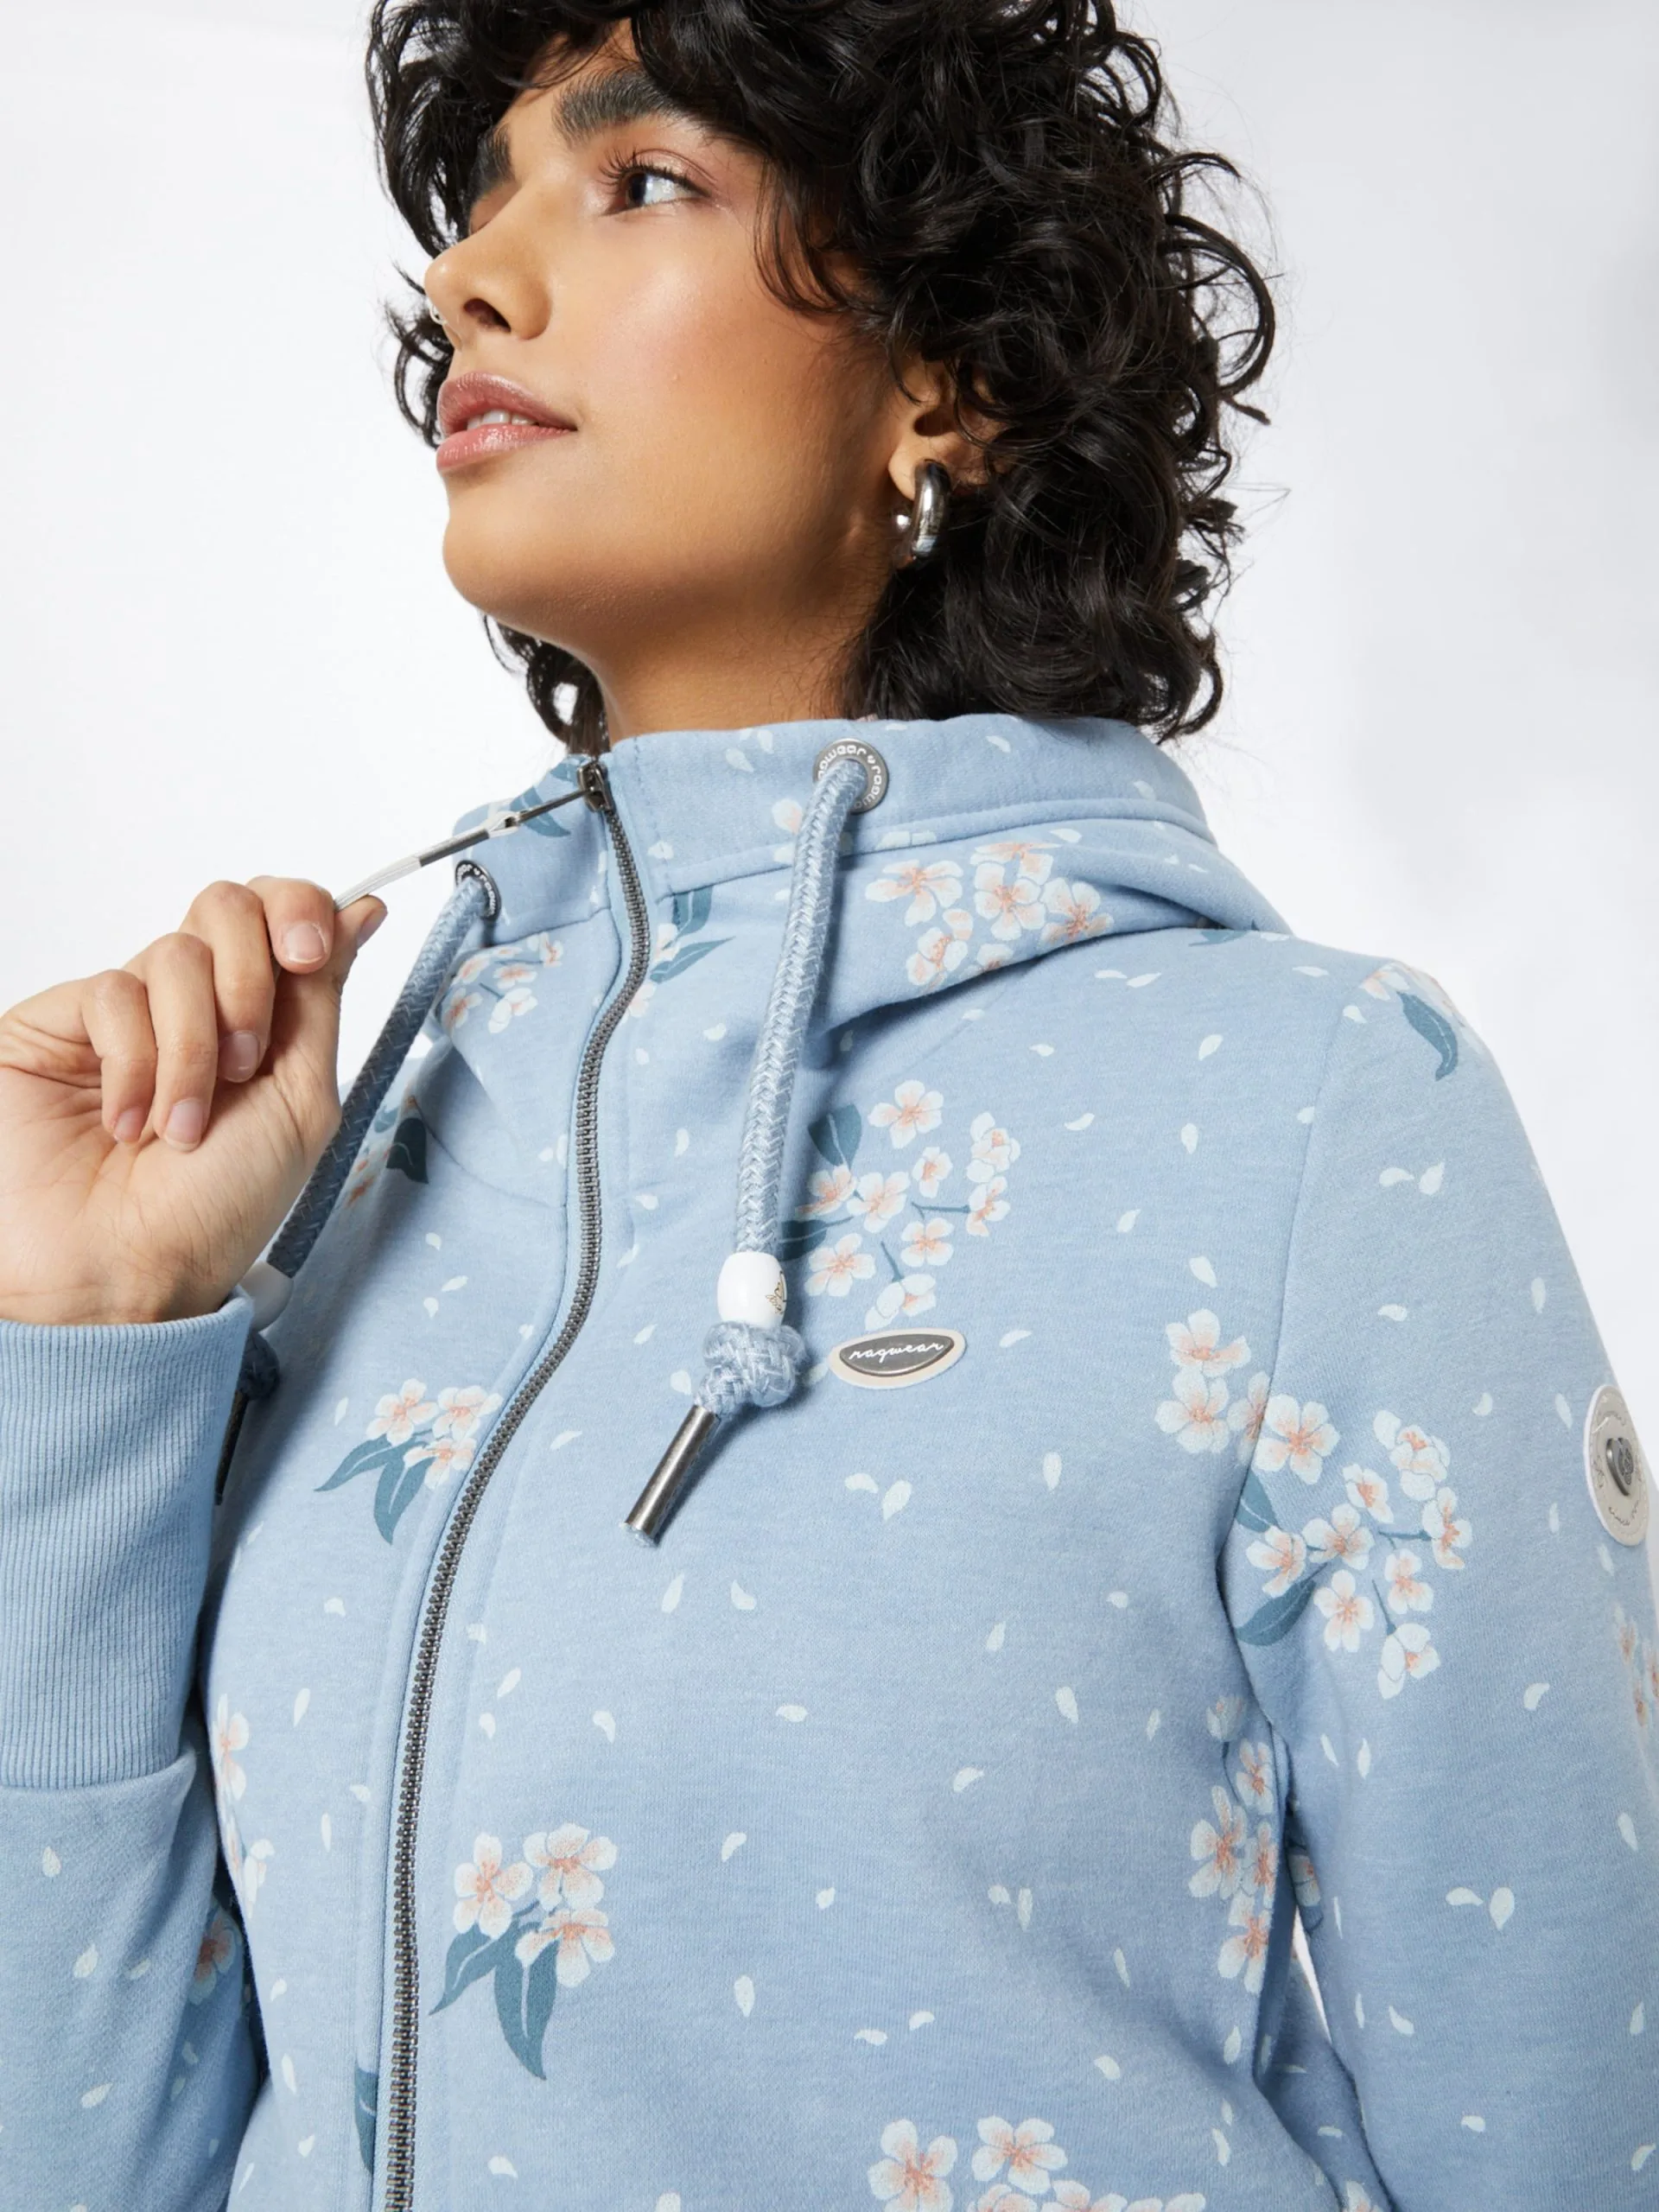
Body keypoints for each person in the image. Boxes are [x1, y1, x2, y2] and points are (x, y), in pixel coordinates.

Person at [0, 3, 1652, 2208]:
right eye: (480, 201)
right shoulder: (353, 1156)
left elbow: (1573, 2110)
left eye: (642, 179)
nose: (471, 273)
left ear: (943, 380)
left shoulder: (1312, 1117)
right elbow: (91, 2156)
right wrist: (93, 1352)